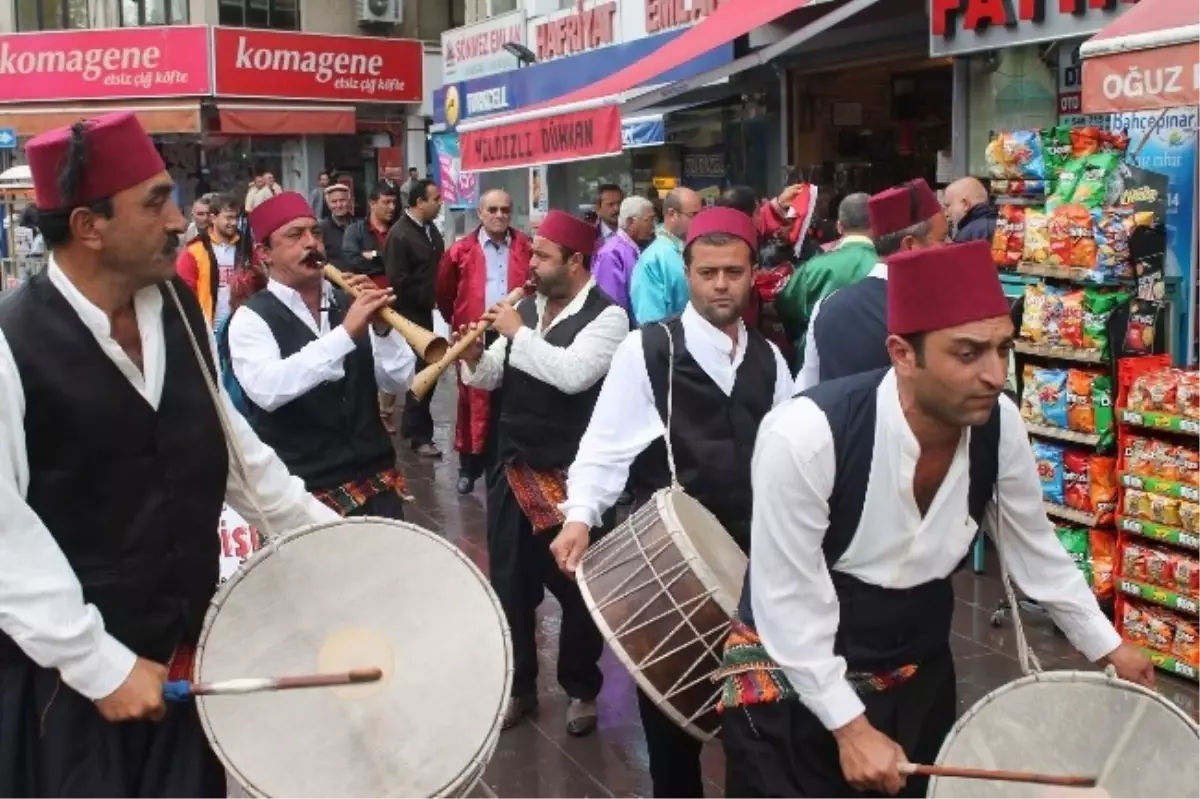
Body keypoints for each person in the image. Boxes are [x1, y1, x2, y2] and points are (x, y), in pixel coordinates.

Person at [720, 240, 1153, 798]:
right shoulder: (805, 437)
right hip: (794, 683)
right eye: (968, 353)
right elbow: (788, 601)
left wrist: (1108, 645)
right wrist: (849, 727)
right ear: (903, 354)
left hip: (917, 671)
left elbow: (1035, 550)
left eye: (1003, 349)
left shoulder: (1000, 426)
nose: (995, 375)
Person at [0, 111, 339, 798]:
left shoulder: (176, 304)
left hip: (183, 668)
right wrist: (98, 664)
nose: (180, 219)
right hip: (65, 696)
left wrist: (341, 547)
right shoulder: (12, 341)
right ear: (89, 226)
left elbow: (233, 447)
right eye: (155, 201)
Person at [550, 208, 794, 799]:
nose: (720, 285)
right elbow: (604, 446)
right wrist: (580, 515)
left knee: (757, 730)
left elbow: (798, 460)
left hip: (756, 570)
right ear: (686, 271)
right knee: (671, 741)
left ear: (751, 274)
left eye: (733, 272)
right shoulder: (648, 350)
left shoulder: (770, 358)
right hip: (671, 564)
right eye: (707, 271)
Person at [456, 210, 629, 736]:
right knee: (510, 584)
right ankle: (520, 689)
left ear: (575, 262)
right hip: (511, 469)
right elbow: (491, 375)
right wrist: (470, 351)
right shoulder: (525, 307)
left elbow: (573, 375)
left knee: (577, 591)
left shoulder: (610, 317)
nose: (531, 264)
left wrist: (518, 333)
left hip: (572, 477)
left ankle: (581, 688)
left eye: (543, 256)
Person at [227, 192, 416, 520]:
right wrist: (346, 334)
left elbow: (400, 380)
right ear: (265, 253)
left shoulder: (348, 302)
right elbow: (268, 389)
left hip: (376, 483)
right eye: (294, 235)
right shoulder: (250, 318)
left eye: (315, 232)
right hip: (304, 492)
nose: (310, 243)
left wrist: (384, 329)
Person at [797, 178, 949, 390]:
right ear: (911, 246)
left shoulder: (828, 306)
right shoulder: (941, 308)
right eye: (943, 239)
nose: (950, 248)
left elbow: (806, 389)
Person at [436, 189, 533, 495]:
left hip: (515, 331)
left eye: (505, 209)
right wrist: (465, 323)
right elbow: (444, 293)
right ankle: (469, 466)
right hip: (475, 333)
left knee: (512, 395)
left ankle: (506, 462)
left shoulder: (526, 247)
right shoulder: (459, 250)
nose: (499, 215)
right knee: (472, 399)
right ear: (480, 213)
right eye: (492, 209)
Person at [775, 192, 876, 369]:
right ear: (877, 224)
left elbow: (787, 307)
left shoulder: (813, 267)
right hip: (875, 363)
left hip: (819, 363)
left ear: (839, 226)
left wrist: (803, 336)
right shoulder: (889, 266)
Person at [385, 178, 445, 458]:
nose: (439, 203)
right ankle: (420, 435)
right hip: (410, 315)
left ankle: (413, 428)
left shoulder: (431, 230)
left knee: (429, 372)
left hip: (429, 312)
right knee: (421, 373)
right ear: (419, 202)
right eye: (435, 199)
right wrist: (423, 298)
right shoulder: (399, 235)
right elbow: (398, 280)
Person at [628, 187, 703, 325]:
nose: (699, 221)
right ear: (672, 214)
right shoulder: (652, 260)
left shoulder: (697, 249)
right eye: (694, 215)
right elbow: (651, 322)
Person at [177, 193, 244, 331]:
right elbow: (184, 293)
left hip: (241, 328)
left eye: (236, 218)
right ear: (213, 218)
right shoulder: (194, 250)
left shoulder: (246, 247)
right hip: (207, 330)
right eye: (229, 217)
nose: (234, 223)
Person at [592, 195, 655, 313]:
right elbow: (612, 305)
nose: (652, 226)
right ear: (631, 222)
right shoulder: (611, 254)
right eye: (649, 220)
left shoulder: (635, 247)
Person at [945, 176, 998, 243]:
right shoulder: (1003, 226)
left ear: (965, 204)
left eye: (948, 205)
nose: (946, 213)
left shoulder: (968, 235)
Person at [318, 183, 354, 269]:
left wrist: (374, 254)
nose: (339, 205)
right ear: (328, 204)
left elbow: (373, 253)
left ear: (349, 201)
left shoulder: (360, 225)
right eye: (334, 202)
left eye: (342, 200)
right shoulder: (321, 228)